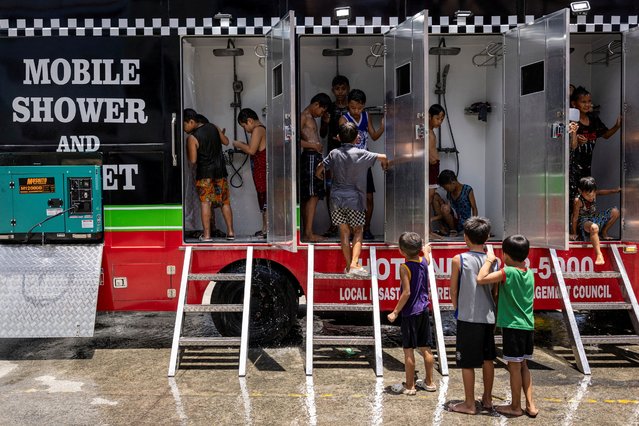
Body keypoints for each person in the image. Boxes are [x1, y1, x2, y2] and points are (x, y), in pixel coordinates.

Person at [477, 234, 537, 419]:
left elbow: (481, 278)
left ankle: (515, 407)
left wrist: (489, 260)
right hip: (528, 326)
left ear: (506, 255)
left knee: (514, 368)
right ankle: (530, 405)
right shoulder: (529, 273)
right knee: (524, 365)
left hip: (513, 327)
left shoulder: (508, 272)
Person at [315, 122, 388, 275]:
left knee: (344, 232)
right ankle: (355, 264)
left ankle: (349, 267)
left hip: (335, 200)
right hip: (355, 200)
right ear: (358, 137)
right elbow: (383, 157)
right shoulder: (362, 153)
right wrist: (385, 165)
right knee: (358, 230)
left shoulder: (334, 153)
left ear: (338, 137)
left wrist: (319, 174)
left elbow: (320, 167)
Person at [447, 216, 498, 415]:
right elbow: (495, 291)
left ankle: (469, 404)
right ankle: (487, 398)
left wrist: (456, 307)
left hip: (467, 317)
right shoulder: (493, 260)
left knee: (467, 362)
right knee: (488, 359)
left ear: (465, 237)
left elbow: (453, 290)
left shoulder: (458, 259)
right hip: (488, 316)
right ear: (486, 237)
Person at [386, 232, 436, 395]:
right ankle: (429, 382)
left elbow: (406, 293)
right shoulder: (423, 262)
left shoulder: (404, 267)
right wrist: (426, 251)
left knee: (408, 350)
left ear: (401, 251)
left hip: (410, 312)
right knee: (426, 348)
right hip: (423, 310)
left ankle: (410, 386)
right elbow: (427, 258)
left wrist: (395, 312)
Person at [338, 89, 384, 240]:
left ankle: (367, 228)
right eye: (353, 108)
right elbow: (342, 143)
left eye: (359, 108)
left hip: (365, 164)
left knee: (369, 198)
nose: (356, 111)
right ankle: (353, 230)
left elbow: (374, 136)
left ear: (364, 106)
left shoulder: (366, 116)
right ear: (347, 106)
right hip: (350, 166)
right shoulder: (344, 119)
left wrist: (383, 126)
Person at [183, 108, 235, 241]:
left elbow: (193, 161)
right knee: (225, 202)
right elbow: (226, 142)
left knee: (206, 203)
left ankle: (206, 236)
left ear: (191, 121)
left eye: (184, 125)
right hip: (220, 172)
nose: (184, 129)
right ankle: (230, 233)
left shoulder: (192, 138)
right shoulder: (214, 127)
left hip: (204, 174)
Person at [569, 86, 622, 203]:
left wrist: (617, 126)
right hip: (571, 168)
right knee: (574, 199)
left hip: (586, 167)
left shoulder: (593, 120)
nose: (587, 105)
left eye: (589, 101)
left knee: (586, 196)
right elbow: (569, 146)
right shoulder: (571, 121)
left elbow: (606, 135)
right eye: (583, 102)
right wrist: (577, 140)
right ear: (574, 104)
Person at [320, 75, 350, 238]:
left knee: (350, 189)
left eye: (343, 88)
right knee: (331, 189)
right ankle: (334, 223)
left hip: (350, 156)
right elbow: (322, 134)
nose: (340, 92)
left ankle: (351, 225)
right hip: (333, 155)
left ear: (348, 89)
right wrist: (325, 122)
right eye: (337, 89)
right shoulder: (329, 108)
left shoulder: (353, 107)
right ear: (333, 90)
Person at [300, 93, 332, 242]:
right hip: (310, 157)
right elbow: (294, 140)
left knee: (312, 196)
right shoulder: (304, 116)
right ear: (316, 104)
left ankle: (308, 232)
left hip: (315, 157)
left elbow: (320, 134)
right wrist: (313, 145)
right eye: (322, 111)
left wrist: (325, 122)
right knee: (311, 196)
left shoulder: (312, 118)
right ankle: (308, 233)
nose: (321, 114)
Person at [233, 108, 267, 239]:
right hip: (260, 170)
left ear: (250, 121)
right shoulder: (260, 129)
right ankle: (265, 228)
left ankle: (267, 229)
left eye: (244, 126)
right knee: (263, 199)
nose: (245, 130)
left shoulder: (258, 129)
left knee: (265, 200)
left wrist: (239, 144)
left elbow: (252, 150)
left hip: (262, 170)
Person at [570, 176, 621, 265]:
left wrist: (615, 191)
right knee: (594, 227)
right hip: (583, 221)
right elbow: (575, 218)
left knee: (615, 212)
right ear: (580, 191)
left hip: (593, 217)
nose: (591, 197)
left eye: (593, 194)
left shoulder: (593, 193)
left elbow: (602, 192)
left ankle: (604, 232)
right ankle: (599, 254)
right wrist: (574, 233)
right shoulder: (578, 201)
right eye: (588, 195)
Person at [437, 169, 478, 235]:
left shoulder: (467, 189)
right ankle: (452, 230)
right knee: (436, 197)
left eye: (446, 188)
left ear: (453, 182)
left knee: (445, 208)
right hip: (453, 223)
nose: (445, 190)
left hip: (464, 224)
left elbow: (474, 208)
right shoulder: (449, 193)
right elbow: (449, 210)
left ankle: (455, 231)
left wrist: (474, 227)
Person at [428, 104, 446, 239]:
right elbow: (421, 148)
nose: (439, 121)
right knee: (427, 200)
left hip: (434, 166)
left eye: (441, 119)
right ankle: (427, 231)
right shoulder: (425, 131)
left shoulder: (431, 131)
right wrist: (430, 159)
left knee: (429, 199)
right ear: (429, 117)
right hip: (430, 167)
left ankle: (428, 230)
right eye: (437, 118)